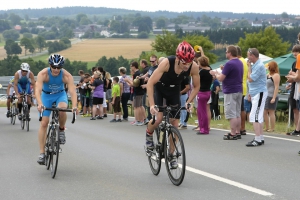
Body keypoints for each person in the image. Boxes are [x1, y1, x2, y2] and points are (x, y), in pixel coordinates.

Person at [145, 41, 200, 168]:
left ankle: (171, 155)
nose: (187, 65)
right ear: (178, 58)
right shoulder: (166, 63)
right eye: (184, 62)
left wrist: (188, 102)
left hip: (175, 90)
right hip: (161, 89)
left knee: (175, 124)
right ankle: (149, 134)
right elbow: (150, 83)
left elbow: (196, 87)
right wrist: (152, 105)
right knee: (158, 118)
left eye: (190, 62)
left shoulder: (194, 67)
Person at [36, 54, 78, 165]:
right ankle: (42, 153)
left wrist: (74, 106)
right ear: (50, 66)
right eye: (53, 67)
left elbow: (73, 92)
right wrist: (40, 104)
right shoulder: (43, 74)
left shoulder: (66, 76)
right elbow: (38, 90)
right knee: (44, 123)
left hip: (60, 95)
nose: (55, 70)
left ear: (61, 67)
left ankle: (61, 129)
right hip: (46, 96)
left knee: (62, 109)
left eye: (58, 67)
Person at [210, 45, 243, 140]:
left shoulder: (229, 64)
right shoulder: (239, 62)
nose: (225, 53)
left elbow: (221, 78)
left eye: (226, 52)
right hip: (238, 89)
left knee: (231, 113)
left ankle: (232, 133)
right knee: (237, 112)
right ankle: (237, 131)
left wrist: (215, 74)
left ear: (230, 53)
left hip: (230, 90)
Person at [246, 48, 267, 147]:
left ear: (252, 56)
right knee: (258, 116)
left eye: (248, 55)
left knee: (254, 116)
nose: (247, 57)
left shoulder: (258, 65)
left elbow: (250, 79)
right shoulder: (256, 65)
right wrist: (250, 93)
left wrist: (249, 67)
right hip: (255, 92)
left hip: (259, 92)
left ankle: (257, 138)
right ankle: (260, 137)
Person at [125, 61, 146, 126]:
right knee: (140, 106)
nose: (131, 68)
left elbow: (134, 84)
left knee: (136, 107)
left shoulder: (136, 74)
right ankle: (144, 119)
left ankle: (138, 120)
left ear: (134, 66)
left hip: (137, 92)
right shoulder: (140, 73)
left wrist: (127, 80)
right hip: (141, 91)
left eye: (131, 66)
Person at [196, 55, 213, 134]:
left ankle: (204, 129)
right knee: (205, 110)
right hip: (208, 91)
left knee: (202, 111)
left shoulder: (202, 72)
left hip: (202, 92)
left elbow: (197, 81)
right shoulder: (210, 70)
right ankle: (205, 127)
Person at [286, 44, 300, 135]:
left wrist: (292, 75)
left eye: (296, 52)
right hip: (294, 85)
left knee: (298, 108)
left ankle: (298, 129)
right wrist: (290, 82)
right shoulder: (294, 63)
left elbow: (297, 77)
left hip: (297, 85)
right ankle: (296, 128)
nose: (295, 54)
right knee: (294, 108)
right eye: (293, 52)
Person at [263, 61, 280, 132]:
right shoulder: (268, 75)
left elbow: (276, 87)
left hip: (272, 95)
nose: (268, 67)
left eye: (269, 66)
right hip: (266, 95)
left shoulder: (276, 75)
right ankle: (267, 126)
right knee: (264, 112)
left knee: (271, 112)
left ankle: (272, 127)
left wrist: (274, 97)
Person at [236, 46, 248, 135]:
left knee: (239, 109)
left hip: (238, 86)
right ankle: (242, 127)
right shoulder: (244, 61)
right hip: (243, 86)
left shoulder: (239, 62)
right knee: (241, 108)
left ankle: (240, 127)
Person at [140, 59, 150, 124]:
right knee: (147, 104)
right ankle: (147, 117)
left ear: (143, 63)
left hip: (146, 90)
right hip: (147, 89)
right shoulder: (149, 69)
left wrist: (144, 84)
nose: (140, 65)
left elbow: (145, 78)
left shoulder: (146, 70)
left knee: (145, 104)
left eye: (140, 63)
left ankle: (147, 118)